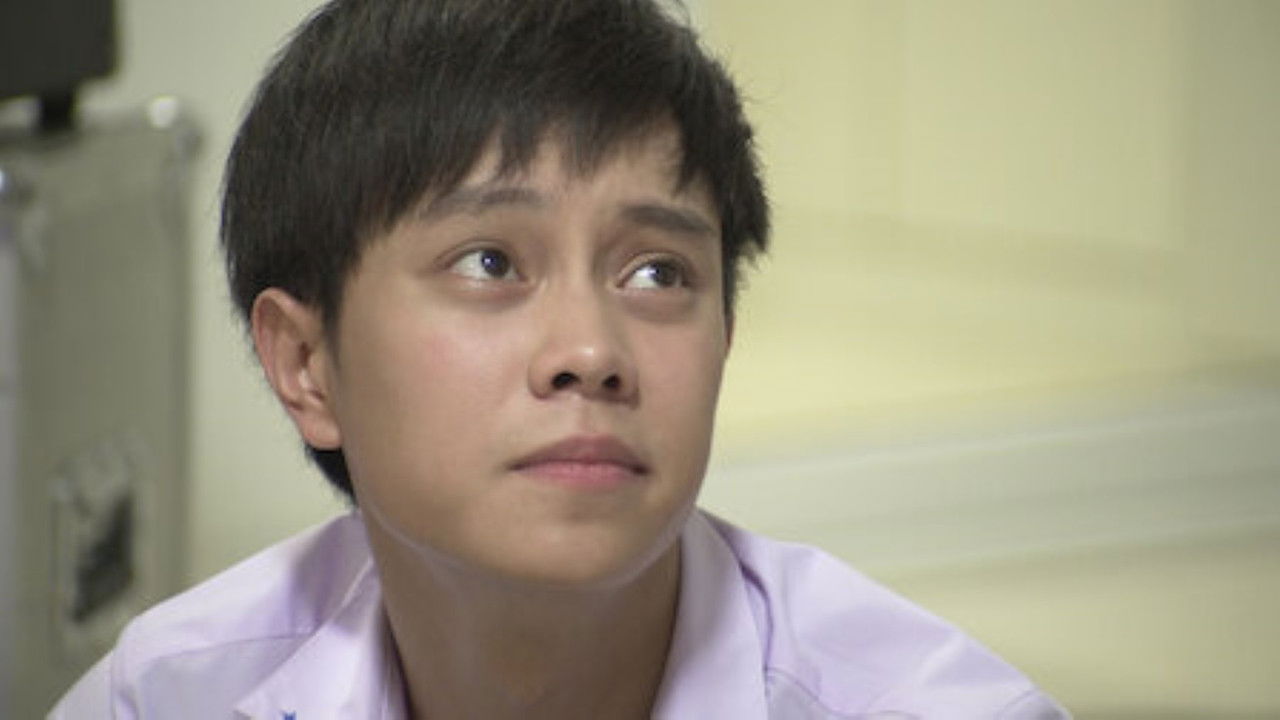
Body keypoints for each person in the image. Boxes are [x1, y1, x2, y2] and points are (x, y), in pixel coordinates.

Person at [52, 0, 1069, 717]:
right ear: (307, 365)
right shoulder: (168, 695)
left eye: (657, 274)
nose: (591, 352)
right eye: (489, 262)